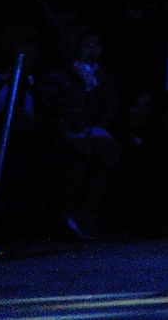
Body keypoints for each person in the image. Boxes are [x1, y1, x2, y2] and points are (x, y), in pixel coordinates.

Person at [38, 30, 119, 238]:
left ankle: (88, 208)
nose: (92, 49)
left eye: (96, 45)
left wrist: (98, 125)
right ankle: (63, 207)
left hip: (88, 127)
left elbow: (110, 103)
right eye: (87, 44)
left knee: (110, 151)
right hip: (63, 128)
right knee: (81, 153)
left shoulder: (101, 74)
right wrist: (69, 129)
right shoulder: (61, 73)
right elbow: (52, 105)